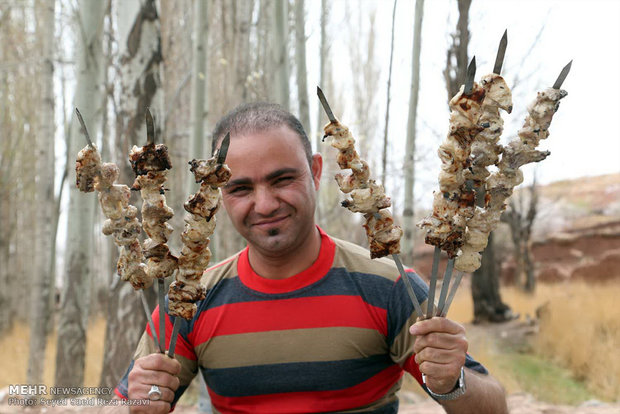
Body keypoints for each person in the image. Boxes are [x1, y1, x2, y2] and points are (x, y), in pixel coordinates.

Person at [110, 102, 508, 414]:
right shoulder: (190, 299)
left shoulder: (389, 286)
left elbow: (493, 409)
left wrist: (452, 382)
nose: (264, 204)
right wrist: (137, 406)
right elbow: (126, 403)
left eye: (282, 179)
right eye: (240, 188)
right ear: (215, 195)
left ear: (315, 172)